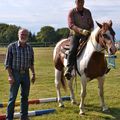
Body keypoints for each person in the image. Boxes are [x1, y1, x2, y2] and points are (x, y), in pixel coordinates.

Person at [4, 28, 36, 120]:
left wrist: (33, 74)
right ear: (18, 35)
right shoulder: (11, 46)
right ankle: (9, 118)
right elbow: (7, 64)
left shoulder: (30, 48)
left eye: (25, 34)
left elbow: (31, 63)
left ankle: (24, 117)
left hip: (26, 74)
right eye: (22, 34)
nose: (23, 36)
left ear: (28, 36)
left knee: (25, 97)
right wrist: (10, 76)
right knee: (12, 98)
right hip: (15, 74)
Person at [64, 0, 94, 80]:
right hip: (75, 35)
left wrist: (91, 29)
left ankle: (102, 66)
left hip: (87, 34)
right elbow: (71, 25)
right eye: (79, 2)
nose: (80, 3)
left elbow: (91, 23)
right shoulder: (72, 12)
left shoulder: (88, 12)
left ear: (83, 2)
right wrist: (81, 31)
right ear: (76, 3)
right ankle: (69, 69)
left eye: (82, 2)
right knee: (73, 49)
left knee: (96, 46)